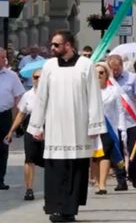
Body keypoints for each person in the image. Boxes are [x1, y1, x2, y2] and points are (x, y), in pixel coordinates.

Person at [27, 31, 106, 222]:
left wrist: (95, 126)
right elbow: (42, 97)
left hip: (78, 127)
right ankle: (55, 207)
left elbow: (94, 97)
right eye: (52, 44)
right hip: (55, 127)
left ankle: (70, 210)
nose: (52, 48)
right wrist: (37, 126)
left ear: (68, 45)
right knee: (56, 168)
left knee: (75, 168)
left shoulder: (85, 65)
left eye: (56, 45)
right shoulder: (49, 66)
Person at [5, 68, 44, 200]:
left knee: (50, 161)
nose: (38, 80)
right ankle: (29, 189)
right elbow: (21, 114)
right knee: (29, 159)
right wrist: (11, 131)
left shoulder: (53, 95)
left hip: (48, 129)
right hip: (31, 128)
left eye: (40, 77)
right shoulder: (28, 95)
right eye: (36, 77)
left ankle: (53, 188)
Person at [107, 54, 136, 190]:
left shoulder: (132, 78)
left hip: (131, 119)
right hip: (115, 120)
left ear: (122, 66)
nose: (115, 72)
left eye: (118, 69)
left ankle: (134, 176)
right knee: (117, 152)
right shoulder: (107, 79)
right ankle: (121, 179)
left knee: (135, 148)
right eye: (113, 70)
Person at [93, 62, 127, 195]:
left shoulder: (113, 91)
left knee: (105, 154)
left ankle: (102, 184)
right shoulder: (89, 91)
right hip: (92, 128)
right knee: (95, 156)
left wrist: (122, 128)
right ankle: (96, 181)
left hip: (109, 128)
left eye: (101, 72)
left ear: (106, 74)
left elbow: (120, 111)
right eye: (95, 73)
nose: (98, 75)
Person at [0, 47, 26, 190]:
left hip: (4, 116)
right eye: (2, 57)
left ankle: (0, 179)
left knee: (3, 148)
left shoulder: (11, 76)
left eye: (5, 57)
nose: (5, 60)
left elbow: (18, 97)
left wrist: (17, 120)